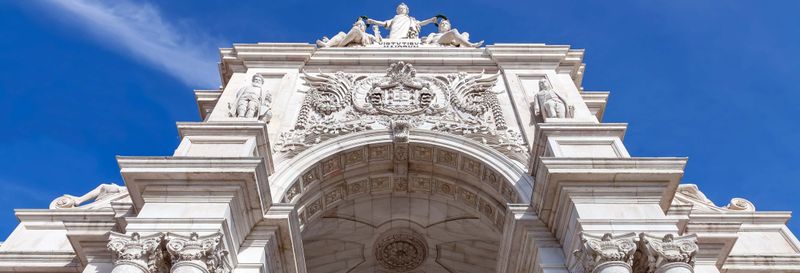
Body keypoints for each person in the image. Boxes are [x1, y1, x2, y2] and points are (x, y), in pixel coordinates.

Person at [366, 3, 437, 39]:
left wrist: (430, 20)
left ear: (407, 11)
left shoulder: (411, 19)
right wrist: (373, 21)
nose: (401, 9)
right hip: (394, 35)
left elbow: (421, 23)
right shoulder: (394, 19)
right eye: (400, 8)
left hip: (406, 36)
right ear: (397, 11)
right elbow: (384, 23)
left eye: (403, 8)